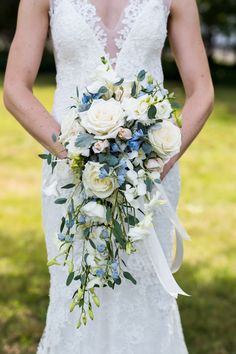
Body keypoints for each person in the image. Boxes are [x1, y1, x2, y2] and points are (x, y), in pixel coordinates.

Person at [3, 0, 214, 353]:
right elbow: (15, 88)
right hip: (70, 175)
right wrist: (76, 155)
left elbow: (203, 90)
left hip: (151, 175)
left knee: (144, 291)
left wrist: (160, 160)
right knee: (77, 290)